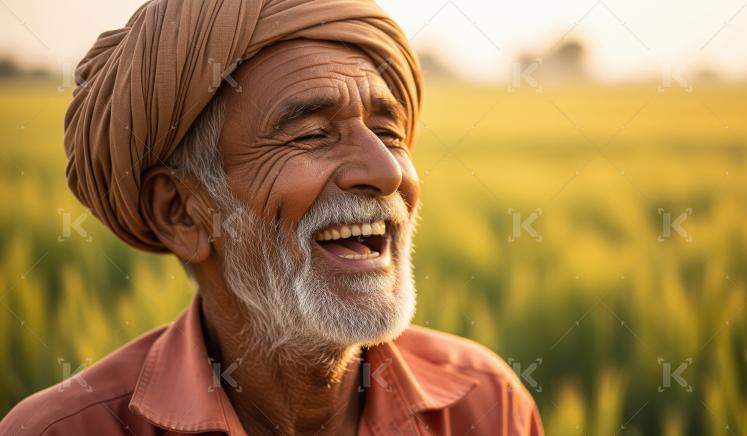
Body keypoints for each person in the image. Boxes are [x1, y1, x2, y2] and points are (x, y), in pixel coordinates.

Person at [0, 1, 543, 434]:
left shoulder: (485, 406)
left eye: (389, 133)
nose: (386, 172)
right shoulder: (65, 430)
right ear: (182, 214)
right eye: (310, 135)